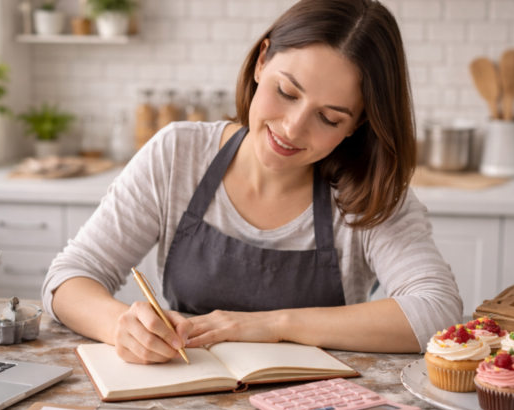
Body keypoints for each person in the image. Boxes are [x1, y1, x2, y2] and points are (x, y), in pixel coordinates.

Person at [43, 0, 462, 365]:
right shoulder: (177, 154)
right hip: (183, 396)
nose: (293, 128)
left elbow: (436, 311)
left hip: (316, 408)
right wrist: (122, 325)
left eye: (329, 118)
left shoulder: (368, 191)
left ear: (358, 123)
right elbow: (70, 278)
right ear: (262, 61)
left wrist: (274, 325)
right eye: (287, 92)